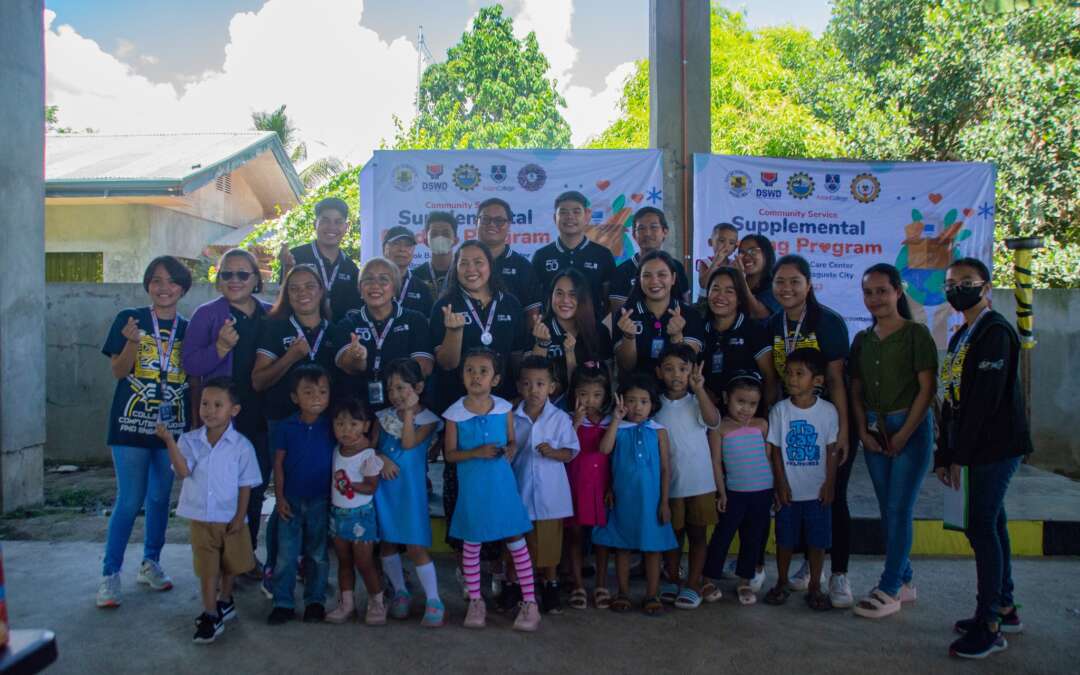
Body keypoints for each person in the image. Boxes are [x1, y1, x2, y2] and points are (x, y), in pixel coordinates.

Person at [934, 257, 1032, 660]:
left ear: (986, 286)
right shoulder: (962, 335)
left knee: (981, 526)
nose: (957, 289)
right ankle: (1004, 607)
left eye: (966, 282)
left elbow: (984, 403)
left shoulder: (995, 332)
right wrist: (944, 451)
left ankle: (989, 624)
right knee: (994, 522)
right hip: (971, 445)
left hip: (995, 447)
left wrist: (961, 455)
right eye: (951, 283)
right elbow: (952, 400)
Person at [96, 256, 193, 609]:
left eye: (171, 281)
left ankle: (151, 563)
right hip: (130, 424)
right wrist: (133, 343)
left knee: (159, 499)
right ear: (147, 285)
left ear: (182, 288)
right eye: (156, 280)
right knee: (130, 499)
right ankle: (109, 575)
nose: (163, 287)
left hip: (171, 429)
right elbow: (119, 372)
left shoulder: (188, 327)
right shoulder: (130, 319)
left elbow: (194, 375)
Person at [849, 264, 937, 620]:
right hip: (874, 431)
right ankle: (905, 581)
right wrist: (862, 433)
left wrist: (904, 433)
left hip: (910, 431)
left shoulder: (916, 335)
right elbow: (855, 390)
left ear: (898, 292)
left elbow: (927, 389)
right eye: (869, 292)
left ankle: (888, 588)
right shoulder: (862, 340)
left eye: (882, 291)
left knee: (900, 507)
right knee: (888, 509)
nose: (875, 299)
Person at [768, 254, 854, 608]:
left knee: (831, 498)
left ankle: (839, 575)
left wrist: (845, 431)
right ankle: (807, 569)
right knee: (796, 496)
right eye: (780, 282)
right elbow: (774, 378)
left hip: (828, 424)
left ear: (808, 285)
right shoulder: (774, 323)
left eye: (794, 282)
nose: (786, 289)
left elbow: (836, 381)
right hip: (789, 422)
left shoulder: (827, 322)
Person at [182, 248, 272, 576]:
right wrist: (220, 348)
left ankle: (244, 557)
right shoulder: (207, 315)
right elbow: (190, 363)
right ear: (218, 280)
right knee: (221, 487)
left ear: (256, 279)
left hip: (260, 412)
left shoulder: (269, 313)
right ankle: (219, 559)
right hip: (222, 419)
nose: (234, 281)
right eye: (227, 274)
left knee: (255, 486)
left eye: (242, 274)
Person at [253, 264, 341, 593]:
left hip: (322, 428)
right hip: (284, 423)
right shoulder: (274, 328)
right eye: (294, 288)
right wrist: (290, 356)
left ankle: (308, 565)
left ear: (321, 291)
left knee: (317, 498)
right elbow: (258, 380)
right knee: (286, 498)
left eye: (310, 286)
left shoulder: (334, 330)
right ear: (286, 295)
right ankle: (276, 568)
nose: (303, 293)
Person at [155, 377, 261, 643]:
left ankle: (225, 600)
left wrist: (240, 517)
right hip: (201, 518)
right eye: (204, 403)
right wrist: (169, 440)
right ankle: (210, 613)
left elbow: (247, 485)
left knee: (230, 565)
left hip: (230, 518)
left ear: (233, 410)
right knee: (207, 568)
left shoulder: (242, 446)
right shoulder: (189, 441)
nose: (209, 410)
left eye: (217, 404)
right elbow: (182, 471)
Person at [441, 348, 540, 631]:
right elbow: (449, 455)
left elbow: (512, 441)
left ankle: (530, 602)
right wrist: (476, 452)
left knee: (516, 541)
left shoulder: (504, 409)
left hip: (502, 489)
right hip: (473, 491)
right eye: (470, 370)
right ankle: (475, 601)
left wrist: (510, 449)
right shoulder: (454, 414)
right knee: (472, 545)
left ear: (495, 379)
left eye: (483, 371)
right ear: (462, 375)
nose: (476, 376)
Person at [592, 373, 677, 616]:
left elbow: (665, 468)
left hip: (652, 502)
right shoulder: (617, 428)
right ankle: (623, 592)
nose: (637, 407)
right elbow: (604, 451)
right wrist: (616, 421)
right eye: (631, 400)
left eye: (643, 401)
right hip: (623, 499)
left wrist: (664, 502)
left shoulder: (659, 431)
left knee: (653, 547)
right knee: (622, 546)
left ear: (653, 404)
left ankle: (652, 594)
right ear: (621, 402)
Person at [763, 348, 838, 612]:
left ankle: (816, 585)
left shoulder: (828, 412)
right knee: (785, 539)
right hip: (789, 494)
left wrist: (830, 484)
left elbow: (831, 450)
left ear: (817, 381)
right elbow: (777, 451)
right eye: (788, 373)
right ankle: (782, 582)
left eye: (799, 374)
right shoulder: (780, 411)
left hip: (817, 493)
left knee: (818, 542)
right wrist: (780, 484)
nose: (792, 379)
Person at [373, 358, 445, 627]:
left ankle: (434, 598)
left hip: (410, 491)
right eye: (391, 389)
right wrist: (382, 458)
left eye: (402, 388)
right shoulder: (381, 418)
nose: (395, 395)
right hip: (385, 489)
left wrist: (407, 416)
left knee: (415, 545)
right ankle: (400, 591)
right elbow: (370, 449)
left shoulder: (427, 420)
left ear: (418, 387)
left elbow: (408, 442)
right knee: (388, 543)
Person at [653, 344, 722, 610]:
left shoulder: (697, 401)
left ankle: (693, 584)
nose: (676, 375)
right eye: (669, 369)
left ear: (693, 371)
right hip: (670, 484)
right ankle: (672, 579)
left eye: (683, 369)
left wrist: (700, 389)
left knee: (697, 534)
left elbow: (714, 421)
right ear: (659, 372)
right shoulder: (655, 405)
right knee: (672, 535)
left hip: (700, 482)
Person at [266, 364, 335, 625]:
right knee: (286, 554)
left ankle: (315, 601)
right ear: (295, 397)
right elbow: (279, 464)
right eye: (308, 392)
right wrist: (280, 498)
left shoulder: (332, 427)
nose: (317, 397)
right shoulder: (286, 427)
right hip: (290, 501)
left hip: (321, 500)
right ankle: (282, 602)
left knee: (317, 554)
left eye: (322, 391)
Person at [512, 356, 581, 614]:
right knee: (523, 544)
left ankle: (550, 586)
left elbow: (571, 452)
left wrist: (553, 452)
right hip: (521, 491)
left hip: (551, 495)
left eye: (540, 384)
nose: (534, 390)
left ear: (552, 387)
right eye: (528, 384)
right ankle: (521, 588)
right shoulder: (513, 417)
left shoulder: (560, 419)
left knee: (550, 545)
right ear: (519, 386)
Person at [430, 240, 528, 413]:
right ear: (456, 268)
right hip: (456, 404)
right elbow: (446, 364)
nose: (471, 269)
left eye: (478, 262)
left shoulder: (510, 303)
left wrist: (518, 392)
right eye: (464, 263)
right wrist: (455, 332)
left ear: (490, 265)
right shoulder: (445, 306)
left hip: (503, 402)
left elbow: (516, 357)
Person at [702, 373, 774, 605]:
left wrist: (775, 492)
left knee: (753, 538)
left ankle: (744, 581)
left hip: (762, 493)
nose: (746, 409)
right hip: (734, 493)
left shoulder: (762, 425)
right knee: (722, 536)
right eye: (740, 401)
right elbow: (715, 462)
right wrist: (721, 492)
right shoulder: (719, 428)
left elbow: (769, 459)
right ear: (726, 398)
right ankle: (708, 579)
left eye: (752, 404)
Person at [332, 257, 433, 409]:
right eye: (368, 280)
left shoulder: (415, 320)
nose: (375, 286)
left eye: (383, 280)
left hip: (402, 406)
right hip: (359, 410)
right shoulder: (348, 323)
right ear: (360, 289)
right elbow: (348, 366)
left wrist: (394, 387)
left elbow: (424, 368)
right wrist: (358, 358)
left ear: (394, 288)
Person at [324, 397, 386, 626]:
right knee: (343, 561)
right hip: (338, 515)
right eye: (340, 424)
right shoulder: (335, 450)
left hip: (361, 517)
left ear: (365, 426)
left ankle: (377, 602)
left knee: (364, 562)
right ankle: (346, 604)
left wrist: (350, 485)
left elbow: (372, 486)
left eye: (353, 424)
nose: (346, 430)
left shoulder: (368, 455)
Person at [565, 366, 614, 610]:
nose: (590, 401)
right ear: (574, 393)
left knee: (602, 538)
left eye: (597, 395)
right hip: (575, 486)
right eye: (584, 394)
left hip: (601, 487)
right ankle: (577, 585)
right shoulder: (567, 420)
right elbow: (564, 449)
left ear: (606, 396)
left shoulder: (610, 422)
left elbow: (611, 456)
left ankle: (602, 584)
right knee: (574, 535)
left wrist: (612, 488)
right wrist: (575, 423)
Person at [614, 250, 704, 376]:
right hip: (638, 392)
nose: (654, 281)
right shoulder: (625, 315)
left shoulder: (691, 315)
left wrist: (677, 337)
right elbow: (626, 367)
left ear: (673, 278)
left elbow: (686, 369)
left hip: (675, 393)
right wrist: (629, 337)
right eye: (647, 275)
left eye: (662, 275)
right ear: (639, 280)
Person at [531, 191, 616, 320]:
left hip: (592, 333)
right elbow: (535, 301)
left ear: (587, 216)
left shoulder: (603, 255)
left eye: (576, 212)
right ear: (555, 218)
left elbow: (609, 301)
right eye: (563, 212)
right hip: (551, 333)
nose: (570, 217)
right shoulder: (541, 256)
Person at [531, 269, 613, 403]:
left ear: (583, 297)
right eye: (559, 293)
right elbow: (532, 378)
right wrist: (542, 344)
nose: (565, 300)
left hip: (590, 409)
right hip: (548, 408)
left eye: (572, 294)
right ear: (550, 296)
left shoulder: (599, 331)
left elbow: (607, 379)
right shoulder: (540, 328)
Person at [699, 266, 778, 407]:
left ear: (740, 298)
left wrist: (765, 414)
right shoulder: (699, 329)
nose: (720, 296)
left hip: (747, 417)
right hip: (706, 413)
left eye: (729, 291)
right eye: (715, 289)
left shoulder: (754, 330)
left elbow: (769, 376)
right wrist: (703, 393)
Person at [278, 197, 361, 319]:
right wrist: (287, 267)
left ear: (346, 227)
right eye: (325, 221)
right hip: (299, 333)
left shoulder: (351, 268)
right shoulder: (296, 257)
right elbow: (283, 298)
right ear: (314, 224)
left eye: (338, 222)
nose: (331, 227)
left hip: (337, 335)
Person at [476, 198, 544, 329]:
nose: (491, 224)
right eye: (485, 219)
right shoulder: (461, 263)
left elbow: (533, 315)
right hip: (465, 346)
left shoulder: (523, 267)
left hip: (513, 348)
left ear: (509, 225)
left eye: (499, 221)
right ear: (476, 222)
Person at [609, 207, 691, 315]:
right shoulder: (621, 271)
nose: (647, 233)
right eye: (641, 228)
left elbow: (685, 306)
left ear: (665, 232)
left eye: (653, 227)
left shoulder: (676, 266)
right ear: (634, 235)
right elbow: (619, 314)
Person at [382, 226, 435, 318]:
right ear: (385, 248)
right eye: (396, 243)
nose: (402, 249)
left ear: (413, 250)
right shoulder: (371, 283)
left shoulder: (422, 288)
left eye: (408, 245)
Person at [412, 211, 459, 299]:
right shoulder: (415, 276)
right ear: (426, 241)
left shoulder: (463, 273)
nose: (440, 237)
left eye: (446, 234)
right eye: (434, 234)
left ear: (456, 241)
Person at [736, 234, 781, 319]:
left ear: (766, 254)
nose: (746, 257)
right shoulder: (733, 283)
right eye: (742, 252)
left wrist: (741, 278)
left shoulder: (776, 286)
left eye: (752, 251)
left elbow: (758, 314)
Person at [695, 222, 739, 291]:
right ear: (710, 242)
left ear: (735, 248)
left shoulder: (734, 264)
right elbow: (703, 284)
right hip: (706, 300)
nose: (726, 245)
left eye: (731, 243)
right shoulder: (705, 262)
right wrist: (715, 262)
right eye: (722, 241)